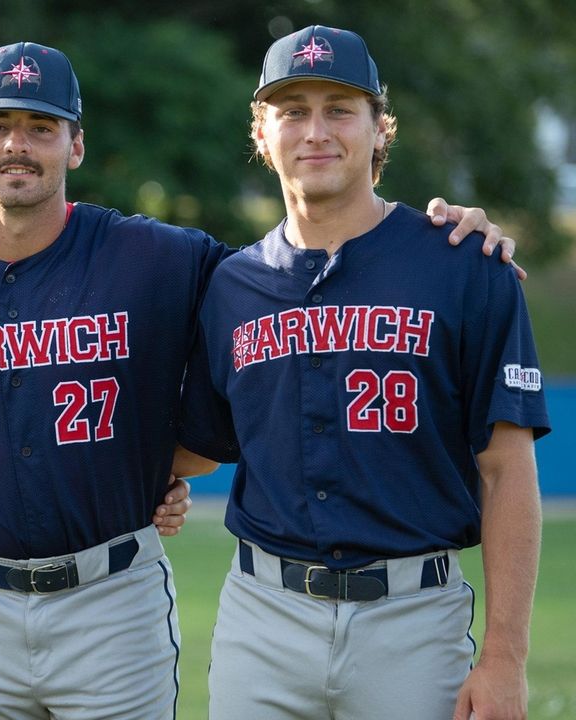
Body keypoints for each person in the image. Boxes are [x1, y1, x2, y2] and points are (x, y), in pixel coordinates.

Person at [0, 41, 520, 718]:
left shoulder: (168, 259)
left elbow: (309, 270)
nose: (17, 144)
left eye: (41, 127)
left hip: (126, 601)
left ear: (75, 146)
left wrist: (455, 236)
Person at [178, 25, 549, 720]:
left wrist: (504, 658)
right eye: (292, 111)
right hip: (263, 618)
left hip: (412, 619)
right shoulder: (232, 285)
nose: (315, 131)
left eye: (340, 109)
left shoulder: (464, 265)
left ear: (381, 131)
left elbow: (506, 470)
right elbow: (201, 443)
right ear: (262, 135)